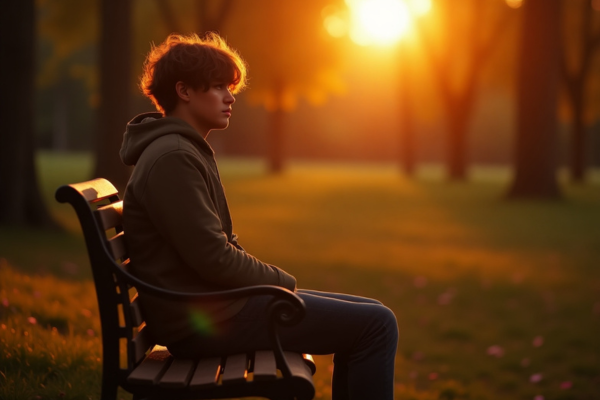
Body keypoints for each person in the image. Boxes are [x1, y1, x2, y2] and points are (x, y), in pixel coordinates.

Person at [120, 32, 398, 400]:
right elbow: (213, 256)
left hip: (210, 308)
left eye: (230, 87)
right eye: (218, 86)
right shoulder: (173, 156)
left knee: (372, 312)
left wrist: (275, 286)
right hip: (204, 322)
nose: (230, 97)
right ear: (184, 91)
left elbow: (212, 251)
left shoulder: (182, 149)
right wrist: (281, 282)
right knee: (376, 325)